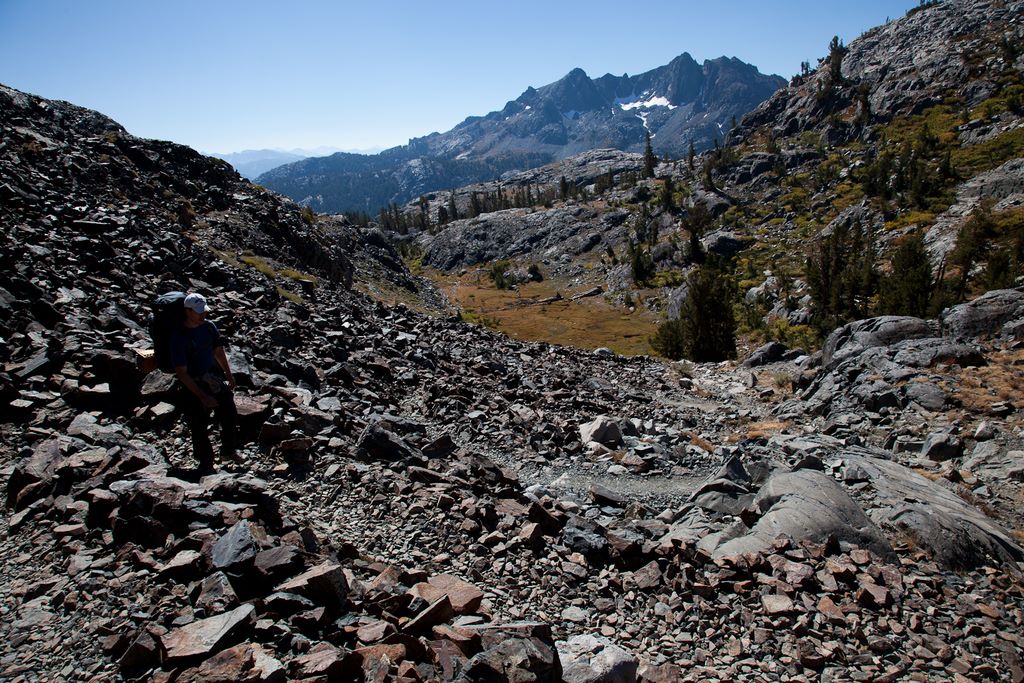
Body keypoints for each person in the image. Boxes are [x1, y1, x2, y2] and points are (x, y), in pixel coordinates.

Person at [171, 292, 238, 473]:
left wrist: (229, 375)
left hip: (212, 377)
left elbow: (218, 351)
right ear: (187, 311)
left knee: (229, 414)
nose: (203, 315)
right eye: (199, 312)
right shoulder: (179, 337)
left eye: (204, 311)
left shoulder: (209, 327)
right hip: (192, 384)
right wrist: (202, 396)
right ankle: (205, 462)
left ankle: (227, 451)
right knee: (198, 425)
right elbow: (182, 373)